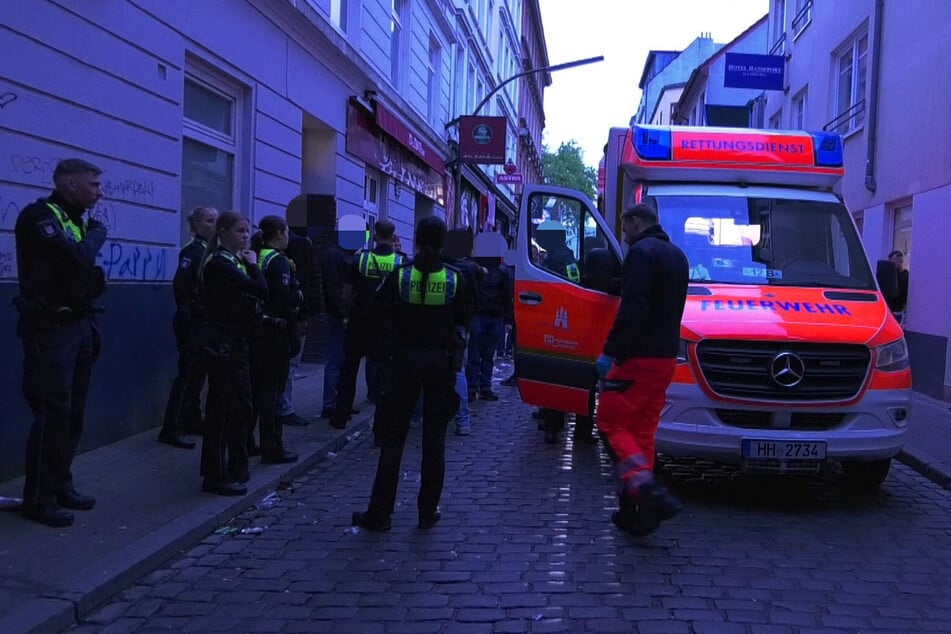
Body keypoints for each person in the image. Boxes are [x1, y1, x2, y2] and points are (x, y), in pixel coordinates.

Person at [351, 216, 473, 531]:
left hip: (402, 363)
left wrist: (387, 349)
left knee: (393, 439)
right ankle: (426, 512)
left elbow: (376, 315)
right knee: (435, 441)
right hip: (440, 365)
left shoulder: (400, 275)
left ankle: (380, 513)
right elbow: (464, 318)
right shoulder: (454, 278)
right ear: (443, 242)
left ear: (416, 241)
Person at [13, 158, 108, 527]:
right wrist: (98, 233)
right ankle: (39, 497)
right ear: (69, 184)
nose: (100, 192)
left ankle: (61, 482)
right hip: (50, 328)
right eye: (94, 185)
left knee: (73, 414)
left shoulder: (74, 219)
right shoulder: (40, 216)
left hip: (79, 322)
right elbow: (77, 256)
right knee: (52, 414)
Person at [596, 203, 689, 537]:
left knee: (610, 422)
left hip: (638, 359)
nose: (623, 235)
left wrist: (610, 352)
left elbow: (632, 310)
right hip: (665, 359)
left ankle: (647, 492)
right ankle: (635, 510)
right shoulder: (677, 256)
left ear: (636, 223)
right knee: (643, 431)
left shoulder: (641, 253)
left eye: (624, 227)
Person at [197, 211, 267, 496]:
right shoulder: (220, 264)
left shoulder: (232, 261)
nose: (245, 236)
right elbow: (261, 290)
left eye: (247, 231)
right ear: (223, 232)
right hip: (222, 344)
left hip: (236, 342)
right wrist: (254, 266)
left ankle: (237, 463)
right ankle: (215, 473)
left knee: (242, 406)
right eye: (240, 231)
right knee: (221, 411)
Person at [330, 219, 406, 433]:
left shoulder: (360, 260)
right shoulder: (401, 262)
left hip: (360, 322)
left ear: (374, 235)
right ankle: (381, 425)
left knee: (349, 370)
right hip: (388, 326)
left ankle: (340, 416)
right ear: (393, 236)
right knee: (384, 374)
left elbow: (346, 294)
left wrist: (345, 317)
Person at [158, 205, 219, 450]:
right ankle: (171, 428)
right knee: (188, 375)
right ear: (196, 225)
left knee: (198, 375)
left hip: (203, 321)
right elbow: (181, 287)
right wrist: (193, 312)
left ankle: (193, 420)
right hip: (191, 321)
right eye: (208, 221)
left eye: (216, 220)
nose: (213, 225)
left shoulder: (209, 251)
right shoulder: (193, 252)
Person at [248, 216, 302, 464]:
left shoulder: (257, 255)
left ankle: (248, 441)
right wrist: (294, 335)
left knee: (258, 391)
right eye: (287, 232)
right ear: (280, 233)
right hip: (274, 333)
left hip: (257, 330)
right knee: (272, 393)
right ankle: (273, 447)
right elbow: (284, 302)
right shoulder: (278, 261)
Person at [275, 226, 322, 428]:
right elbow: (310, 280)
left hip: (275, 317)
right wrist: (307, 315)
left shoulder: (261, 248)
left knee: (281, 365)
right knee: (289, 364)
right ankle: (284, 408)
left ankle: (277, 406)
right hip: (291, 316)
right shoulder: (302, 246)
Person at [887, 250, 909, 324]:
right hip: (889, 310)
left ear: (900, 261)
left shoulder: (905, 275)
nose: (891, 265)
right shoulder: (891, 275)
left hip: (898, 311)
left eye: (894, 262)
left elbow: (900, 293)